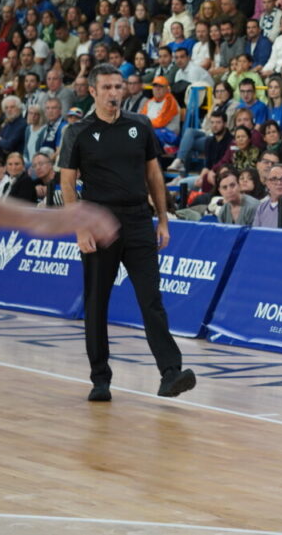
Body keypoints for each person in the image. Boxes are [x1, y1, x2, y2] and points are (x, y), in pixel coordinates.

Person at [58, 64, 196, 402]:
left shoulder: (140, 124)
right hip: (99, 223)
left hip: (137, 221)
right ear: (92, 91)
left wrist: (162, 219)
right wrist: (79, 227)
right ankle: (100, 379)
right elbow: (66, 182)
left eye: (118, 87)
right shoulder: (77, 131)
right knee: (97, 303)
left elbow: (153, 174)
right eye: (106, 87)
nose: (113, 93)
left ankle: (170, 372)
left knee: (151, 299)